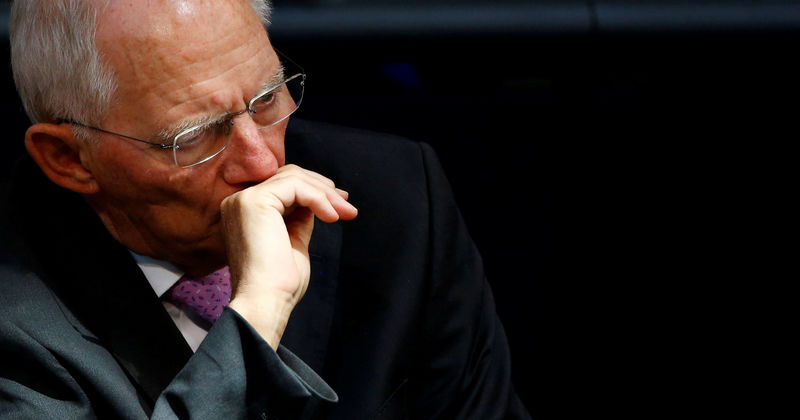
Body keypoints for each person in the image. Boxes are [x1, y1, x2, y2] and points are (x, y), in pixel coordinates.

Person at [0, 0, 530, 418]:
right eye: (196, 136)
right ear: (68, 158)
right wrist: (256, 315)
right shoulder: (13, 317)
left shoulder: (398, 199)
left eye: (268, 98)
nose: (262, 163)